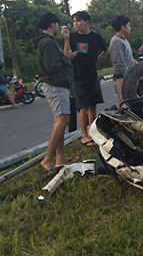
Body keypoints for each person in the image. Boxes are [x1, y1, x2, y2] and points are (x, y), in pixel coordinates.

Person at [31, 12, 77, 171]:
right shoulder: (48, 43)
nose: (57, 27)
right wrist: (66, 59)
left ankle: (60, 156)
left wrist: (65, 48)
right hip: (55, 84)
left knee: (61, 120)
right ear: (52, 24)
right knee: (63, 120)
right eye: (56, 24)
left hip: (56, 84)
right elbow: (53, 66)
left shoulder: (47, 41)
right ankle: (48, 158)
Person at [62, 11, 110, 147]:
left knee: (92, 105)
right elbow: (66, 55)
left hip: (91, 74)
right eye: (74, 22)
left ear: (87, 22)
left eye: (79, 21)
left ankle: (92, 131)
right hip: (77, 76)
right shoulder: (72, 37)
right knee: (82, 107)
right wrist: (66, 39)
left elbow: (107, 50)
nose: (76, 24)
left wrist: (97, 60)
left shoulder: (95, 37)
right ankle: (84, 135)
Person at [109, 15, 135, 104]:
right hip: (121, 78)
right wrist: (129, 77)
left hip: (126, 77)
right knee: (125, 105)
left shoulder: (124, 40)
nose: (130, 28)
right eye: (128, 25)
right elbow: (120, 63)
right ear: (122, 27)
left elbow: (128, 58)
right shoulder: (116, 41)